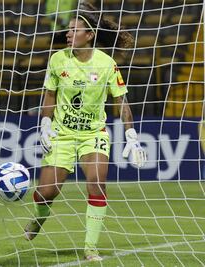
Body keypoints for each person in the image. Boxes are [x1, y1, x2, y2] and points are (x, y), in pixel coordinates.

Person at [23, 3, 147, 261]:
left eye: (73, 30)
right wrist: (45, 124)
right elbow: (49, 95)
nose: (67, 34)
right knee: (47, 192)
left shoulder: (106, 64)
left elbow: (121, 102)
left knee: (97, 186)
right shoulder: (58, 60)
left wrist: (132, 136)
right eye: (68, 30)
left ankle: (90, 248)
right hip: (63, 135)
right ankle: (39, 218)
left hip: (94, 135)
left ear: (89, 35)